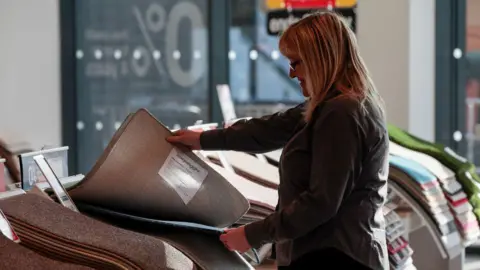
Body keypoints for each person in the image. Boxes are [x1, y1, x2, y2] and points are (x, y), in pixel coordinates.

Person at [167, 11, 389, 270]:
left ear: (320, 60)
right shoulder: (332, 106)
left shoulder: (341, 113)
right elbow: (268, 130)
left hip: (335, 256)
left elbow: (321, 203)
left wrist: (251, 235)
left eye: (296, 63)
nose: (292, 74)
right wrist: (202, 139)